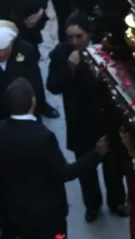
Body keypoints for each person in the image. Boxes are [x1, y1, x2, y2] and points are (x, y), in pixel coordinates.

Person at [0, 78, 107, 239]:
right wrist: (96, 154)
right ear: (33, 101)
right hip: (46, 215)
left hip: (14, 209)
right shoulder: (43, 137)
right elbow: (65, 173)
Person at [46, 12, 127, 222]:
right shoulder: (60, 55)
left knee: (113, 166)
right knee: (86, 170)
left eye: (79, 36)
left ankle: (117, 201)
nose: (74, 42)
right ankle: (93, 205)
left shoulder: (104, 49)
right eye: (70, 37)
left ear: (89, 34)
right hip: (80, 122)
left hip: (106, 121)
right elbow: (53, 86)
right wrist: (69, 69)